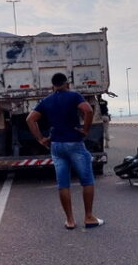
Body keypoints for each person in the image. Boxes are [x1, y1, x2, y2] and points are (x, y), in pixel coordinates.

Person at [26, 73, 103, 230]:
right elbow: (88, 110)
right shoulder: (74, 96)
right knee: (87, 180)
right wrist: (86, 130)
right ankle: (89, 217)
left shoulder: (47, 100)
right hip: (74, 143)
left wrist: (41, 139)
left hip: (56, 146)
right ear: (67, 84)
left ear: (52, 86)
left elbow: (30, 119)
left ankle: (70, 220)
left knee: (63, 183)